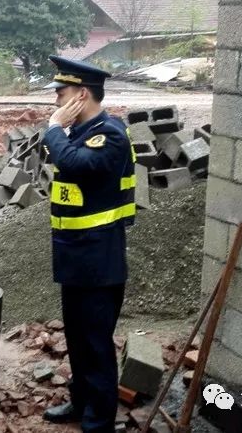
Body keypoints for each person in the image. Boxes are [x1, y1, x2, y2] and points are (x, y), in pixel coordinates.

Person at [40, 56, 136, 433]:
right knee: (78, 341)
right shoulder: (82, 133)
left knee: (96, 345)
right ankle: (81, 403)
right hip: (76, 257)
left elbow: (76, 164)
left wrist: (54, 128)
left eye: (61, 93)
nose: (56, 102)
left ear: (81, 95)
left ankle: (99, 422)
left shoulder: (109, 135)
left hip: (99, 260)